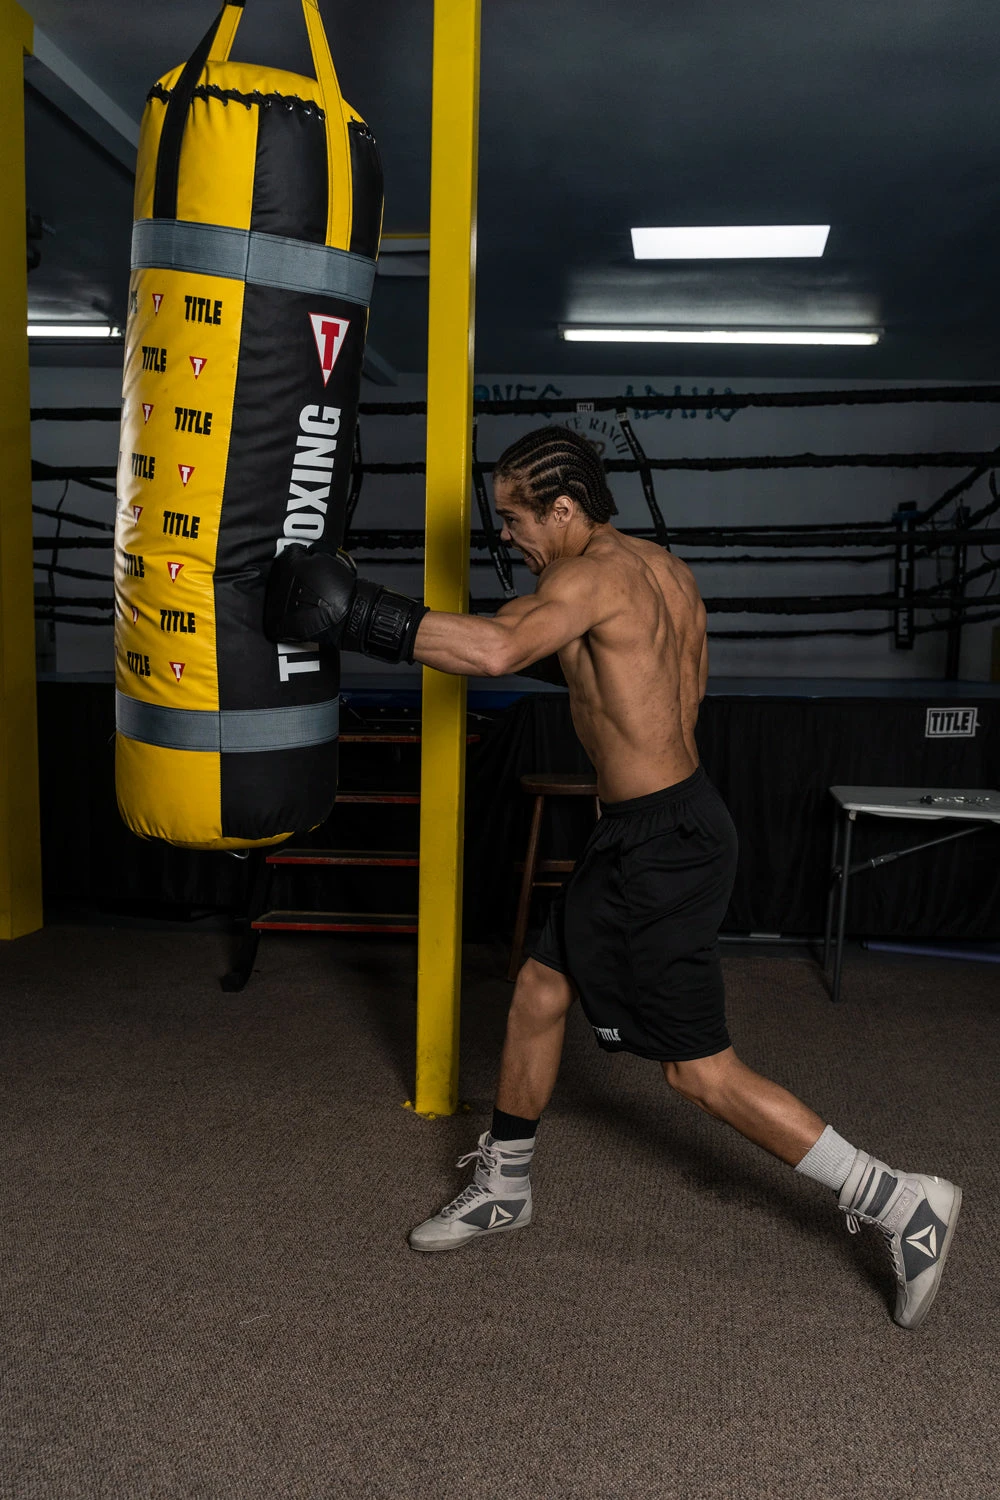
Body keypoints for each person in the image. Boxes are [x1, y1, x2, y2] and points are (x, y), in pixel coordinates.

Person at [264, 425, 962, 1329]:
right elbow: (660, 686)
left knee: (700, 1076)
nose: (505, 533)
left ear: (563, 508)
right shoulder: (662, 570)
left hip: (660, 849)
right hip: (666, 822)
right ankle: (505, 1185)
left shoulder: (586, 579)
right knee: (540, 989)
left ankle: (901, 1203)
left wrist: (357, 613)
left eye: (515, 517)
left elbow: (495, 653)